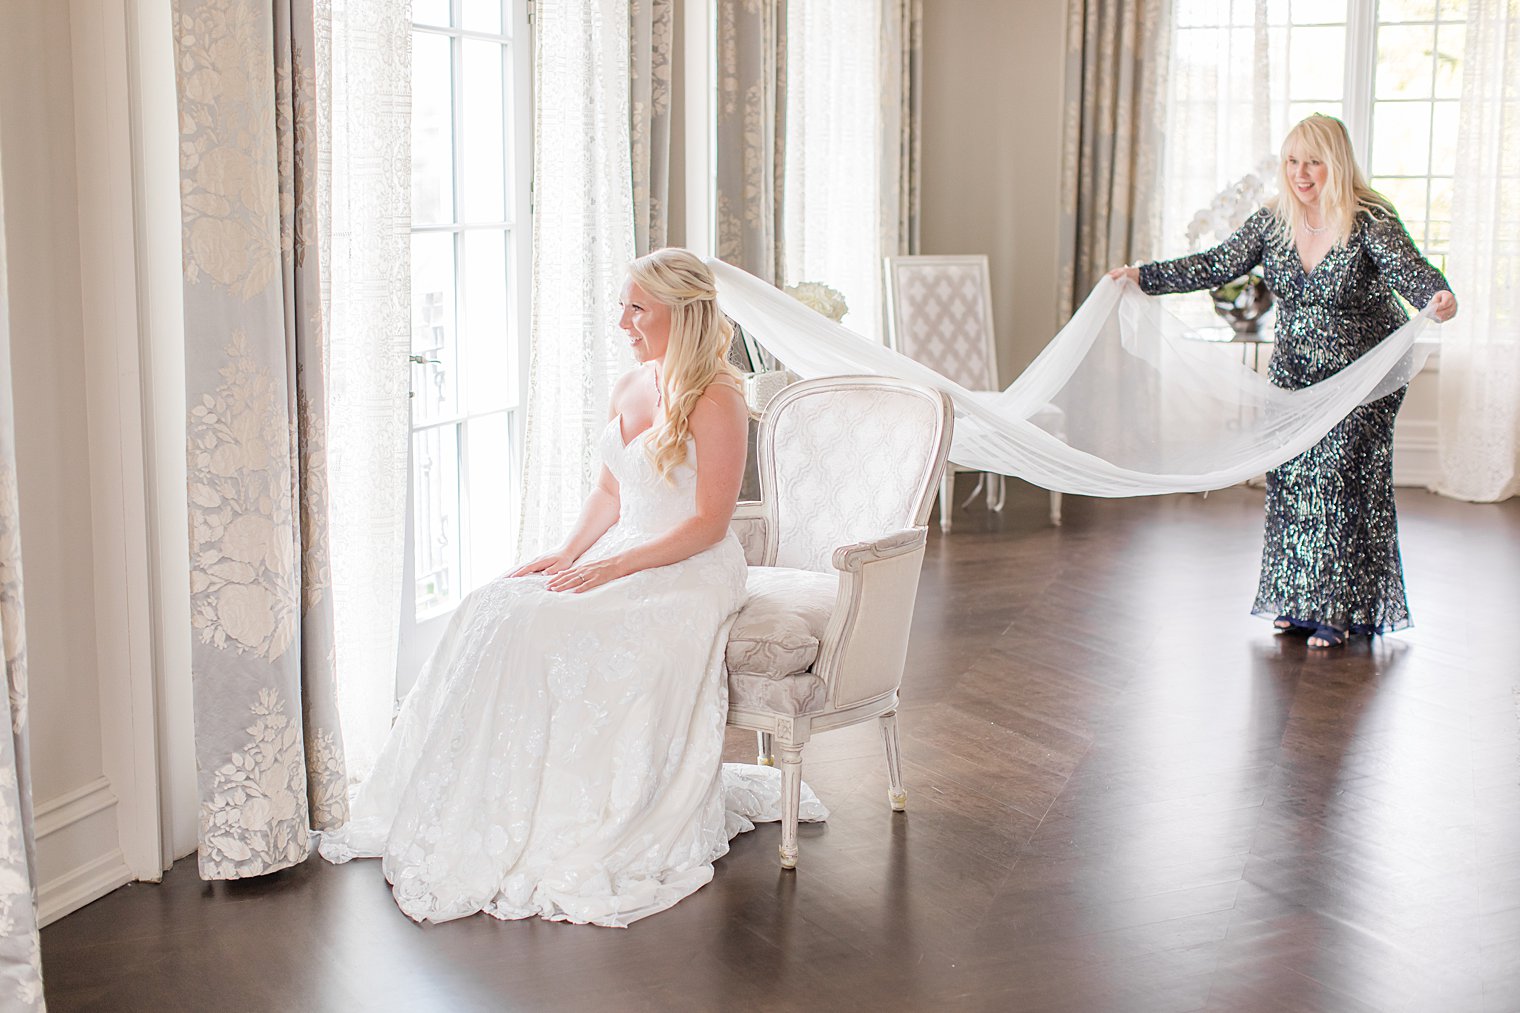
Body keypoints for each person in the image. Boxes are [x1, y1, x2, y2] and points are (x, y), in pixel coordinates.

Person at [319, 248, 805, 926]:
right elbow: (611, 488)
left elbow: (707, 522)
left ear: (681, 313)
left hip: (688, 567)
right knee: (496, 606)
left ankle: (571, 813)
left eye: (638, 308)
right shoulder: (634, 384)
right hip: (625, 546)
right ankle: (489, 799)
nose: (622, 321)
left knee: (558, 628)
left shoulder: (719, 395)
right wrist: (567, 553)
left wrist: (616, 566)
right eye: (624, 305)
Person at [1109, 114, 1457, 648]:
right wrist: (1144, 276)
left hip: (1362, 381)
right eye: (1293, 161)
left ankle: (1337, 609)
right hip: (1294, 377)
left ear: (1335, 164)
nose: (1301, 173)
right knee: (1293, 482)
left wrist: (1439, 297)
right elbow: (1215, 264)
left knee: (1339, 483)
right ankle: (1296, 602)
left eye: (1313, 162)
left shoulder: (1369, 221)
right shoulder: (1272, 221)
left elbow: (1413, 275)